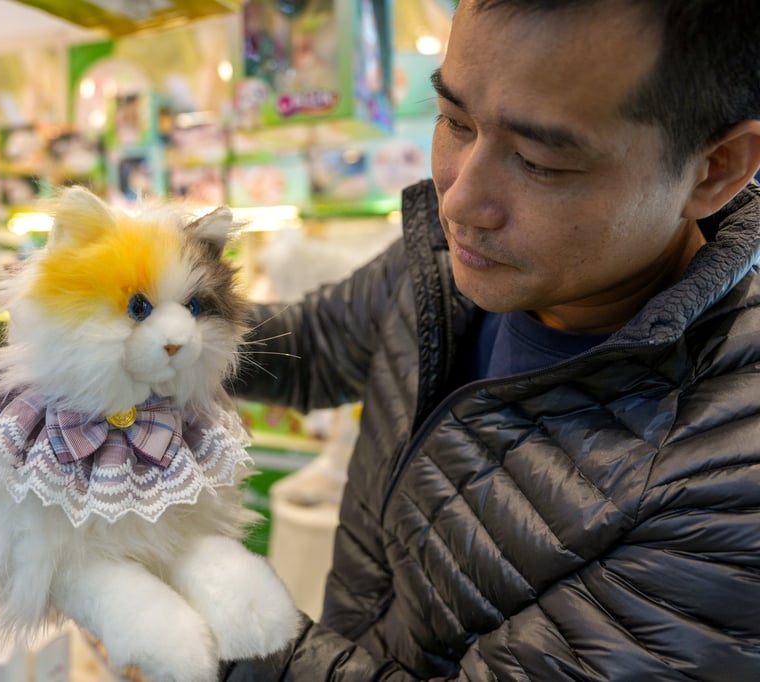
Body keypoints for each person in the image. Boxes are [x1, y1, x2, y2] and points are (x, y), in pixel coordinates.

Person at [223, 0, 760, 678]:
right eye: (454, 121)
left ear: (716, 168)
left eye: (538, 161)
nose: (458, 202)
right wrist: (136, 318)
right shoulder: (449, 267)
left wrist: (195, 618)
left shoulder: (732, 472)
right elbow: (306, 347)